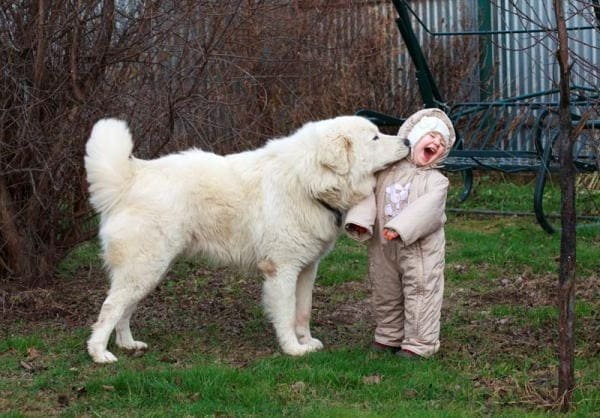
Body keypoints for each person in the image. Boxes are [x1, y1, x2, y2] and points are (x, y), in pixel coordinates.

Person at [344, 108, 455, 359]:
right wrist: (361, 221)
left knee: (421, 292)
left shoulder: (437, 181)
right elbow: (367, 193)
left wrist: (399, 227)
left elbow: (429, 210)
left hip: (420, 251)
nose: (436, 143)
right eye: (431, 137)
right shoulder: (386, 171)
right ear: (415, 138)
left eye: (442, 143)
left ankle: (418, 343)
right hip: (383, 246)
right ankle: (389, 335)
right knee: (385, 289)